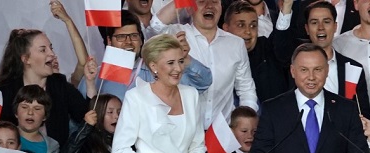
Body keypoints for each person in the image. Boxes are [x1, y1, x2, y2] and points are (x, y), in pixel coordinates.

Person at [152, 0, 260, 129]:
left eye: (215, 1)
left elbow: (246, 89)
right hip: (183, 131)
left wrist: (243, 124)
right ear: (189, 8)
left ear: (221, 8)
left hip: (221, 134)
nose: (209, 5)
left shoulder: (236, 44)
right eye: (202, 1)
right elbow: (156, 25)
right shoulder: (176, 35)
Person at [78, 10, 213, 103]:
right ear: (109, 41)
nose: (129, 42)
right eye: (121, 37)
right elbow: (79, 118)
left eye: (134, 36)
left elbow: (203, 83)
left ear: (141, 40)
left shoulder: (157, 70)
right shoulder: (95, 76)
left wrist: (185, 57)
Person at [303, 0, 370, 119]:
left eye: (326, 22)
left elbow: (364, 115)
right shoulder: (295, 68)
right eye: (314, 23)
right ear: (307, 29)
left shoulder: (353, 68)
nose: (321, 28)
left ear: (335, 27)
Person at [222, 0, 294, 103]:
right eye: (241, 25)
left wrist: (287, 7)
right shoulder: (216, 55)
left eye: (253, 26)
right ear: (226, 29)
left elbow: (281, 45)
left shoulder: (267, 48)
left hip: (269, 117)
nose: (248, 31)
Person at [49, 0, 89, 87]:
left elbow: (83, 63)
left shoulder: (65, 88)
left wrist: (67, 20)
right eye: (43, 50)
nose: (52, 55)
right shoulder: (21, 90)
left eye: (51, 49)